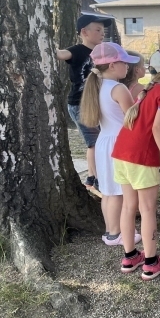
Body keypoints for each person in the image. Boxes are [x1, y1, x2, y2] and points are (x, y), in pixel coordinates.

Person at [112, 49, 160, 281]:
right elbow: (157, 128)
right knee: (147, 210)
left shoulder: (149, 90)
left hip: (122, 152)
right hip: (141, 156)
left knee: (129, 207)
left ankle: (130, 256)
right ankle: (151, 262)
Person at [79, 42, 142, 246]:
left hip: (104, 142)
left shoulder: (97, 86)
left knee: (107, 191)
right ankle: (117, 233)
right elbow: (132, 118)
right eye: (124, 62)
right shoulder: (118, 88)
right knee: (118, 192)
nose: (127, 66)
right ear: (113, 65)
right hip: (119, 143)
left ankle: (110, 231)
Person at [56, 14, 110, 190]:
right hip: (80, 104)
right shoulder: (77, 50)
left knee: (98, 140)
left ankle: (93, 177)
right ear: (84, 32)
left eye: (103, 30)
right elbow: (60, 54)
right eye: (98, 30)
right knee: (94, 142)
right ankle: (97, 180)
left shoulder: (102, 52)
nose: (102, 33)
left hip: (96, 102)